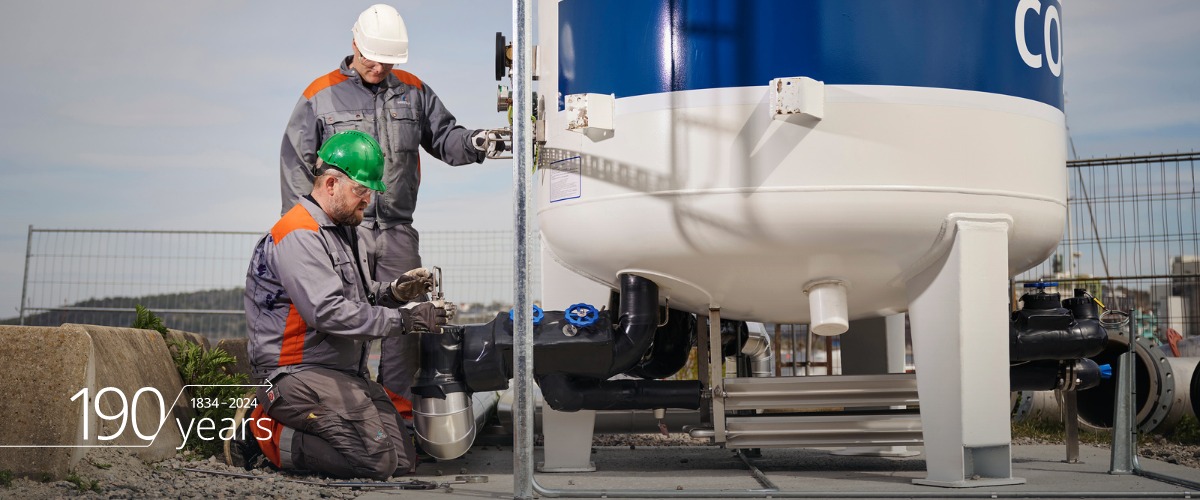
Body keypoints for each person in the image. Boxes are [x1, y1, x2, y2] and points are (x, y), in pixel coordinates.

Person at [279, 3, 503, 408]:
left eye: (386, 61)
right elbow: (297, 164)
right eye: (371, 58)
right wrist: (306, 231)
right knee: (347, 318)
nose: (378, 68)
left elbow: (445, 136)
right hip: (343, 231)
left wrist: (473, 142)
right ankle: (351, 405)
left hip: (398, 229)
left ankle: (397, 412)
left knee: (409, 322)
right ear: (354, 44)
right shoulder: (319, 95)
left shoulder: (413, 91)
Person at [236, 130, 447, 479]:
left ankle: (308, 433)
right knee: (373, 462)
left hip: (341, 373)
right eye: (361, 190)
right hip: (295, 373)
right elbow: (328, 312)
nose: (368, 201)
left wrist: (395, 292)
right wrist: (405, 320)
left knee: (403, 459)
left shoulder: (345, 230)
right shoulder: (299, 233)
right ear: (331, 184)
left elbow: (358, 297)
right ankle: (261, 436)